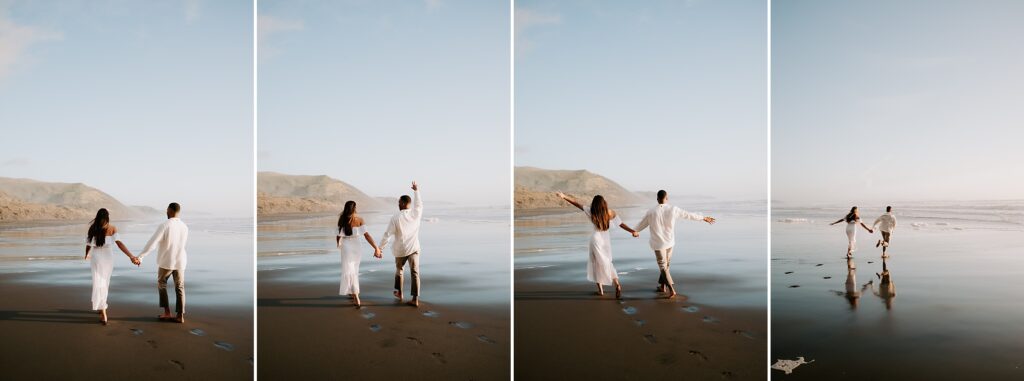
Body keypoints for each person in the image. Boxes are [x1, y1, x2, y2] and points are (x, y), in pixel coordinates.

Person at [556, 192, 640, 299]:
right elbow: (621, 224)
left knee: (595, 263)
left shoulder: (592, 212)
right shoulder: (610, 213)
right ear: (604, 203)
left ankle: (601, 291)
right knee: (607, 262)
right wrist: (632, 231)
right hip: (605, 240)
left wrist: (564, 197)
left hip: (595, 239)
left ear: (594, 204)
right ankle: (617, 283)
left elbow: (577, 204)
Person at [633, 190, 715, 298]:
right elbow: (688, 215)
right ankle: (663, 286)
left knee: (663, 266)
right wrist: (703, 218)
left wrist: (635, 231)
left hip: (658, 244)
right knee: (666, 265)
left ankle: (672, 290)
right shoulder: (673, 209)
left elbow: (641, 224)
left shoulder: (651, 212)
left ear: (657, 199)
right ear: (667, 198)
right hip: (670, 242)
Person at [84, 208, 139, 325]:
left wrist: (86, 254)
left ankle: (101, 307)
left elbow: (89, 244)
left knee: (97, 282)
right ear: (108, 217)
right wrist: (131, 256)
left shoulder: (92, 228)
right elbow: (119, 244)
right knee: (104, 282)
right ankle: (103, 309)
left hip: (96, 257)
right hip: (108, 257)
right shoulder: (112, 228)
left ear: (97, 216)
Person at [137, 202, 189, 323]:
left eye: (167, 210)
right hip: (180, 261)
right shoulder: (184, 226)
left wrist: (140, 257)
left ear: (169, 210)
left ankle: (167, 313)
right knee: (180, 287)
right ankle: (180, 316)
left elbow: (152, 243)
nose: (166, 212)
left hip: (167, 260)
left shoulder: (165, 225)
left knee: (162, 284)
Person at [380, 181, 424, 307]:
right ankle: (415, 299)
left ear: (404, 203)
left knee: (399, 270)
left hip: (401, 249)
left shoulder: (395, 217)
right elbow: (419, 204)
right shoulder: (416, 213)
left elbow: (387, 234)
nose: (398, 204)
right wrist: (416, 191)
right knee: (415, 272)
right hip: (414, 248)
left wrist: (380, 248)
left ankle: (399, 293)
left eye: (399, 202)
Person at [336, 201, 382, 308]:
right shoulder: (359, 220)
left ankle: (355, 294)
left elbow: (338, 236)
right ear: (355, 208)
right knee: (354, 270)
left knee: (348, 270)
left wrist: (338, 245)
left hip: (346, 246)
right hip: (357, 246)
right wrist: (376, 248)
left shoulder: (341, 219)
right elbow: (367, 235)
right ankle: (354, 293)